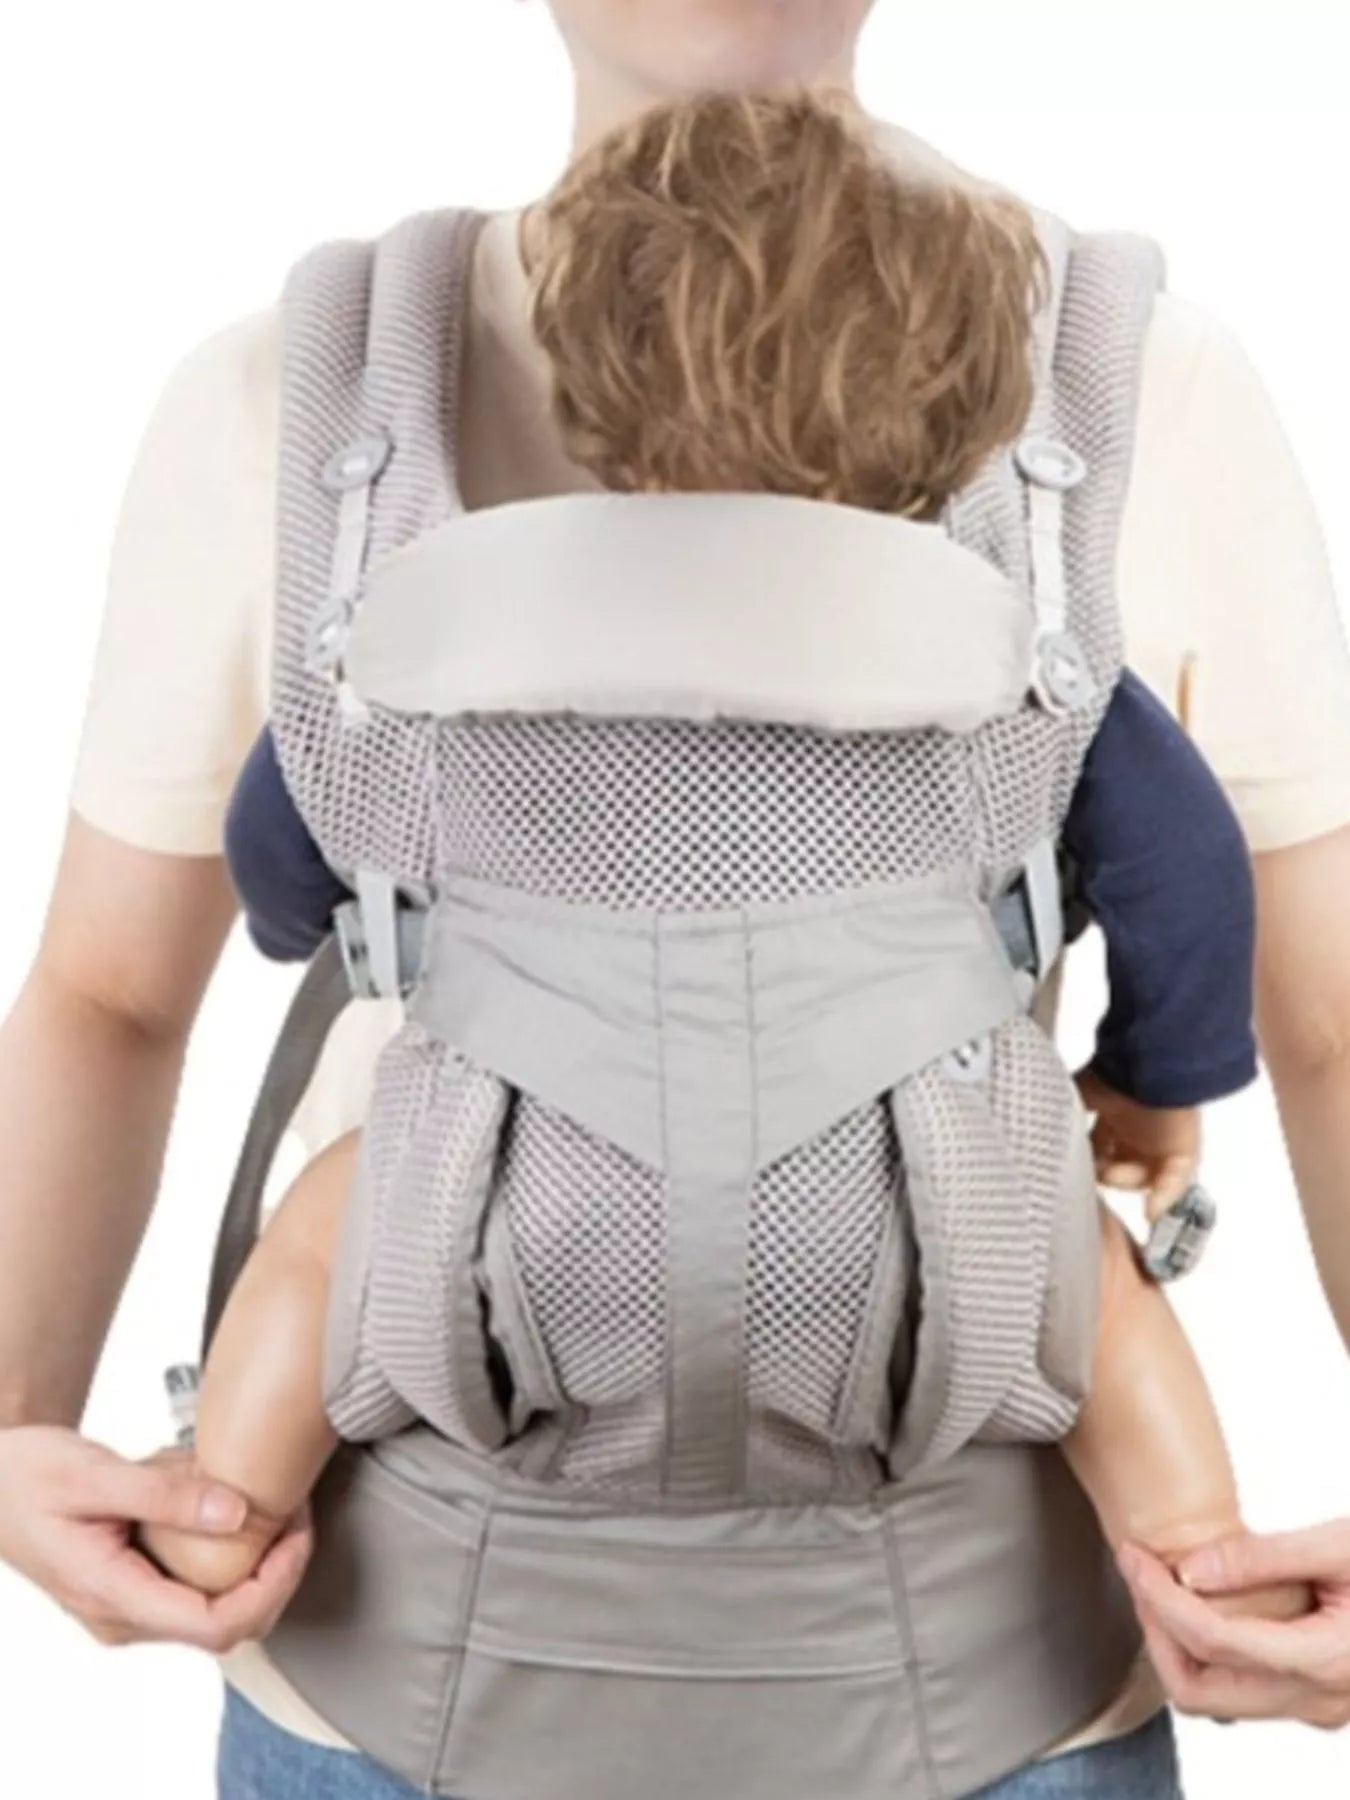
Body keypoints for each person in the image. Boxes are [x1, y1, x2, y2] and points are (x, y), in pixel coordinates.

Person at [2, 4, 1350, 1795]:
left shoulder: (399, 593)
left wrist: (309, 916)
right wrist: (1155, 1085)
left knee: (327, 1234)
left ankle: (221, 1499)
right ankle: (1192, 1553)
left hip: (491, 1371)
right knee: (1083, 1287)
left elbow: (291, 831)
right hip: (908, 1391)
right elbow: (1205, 917)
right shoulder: (273, 402)